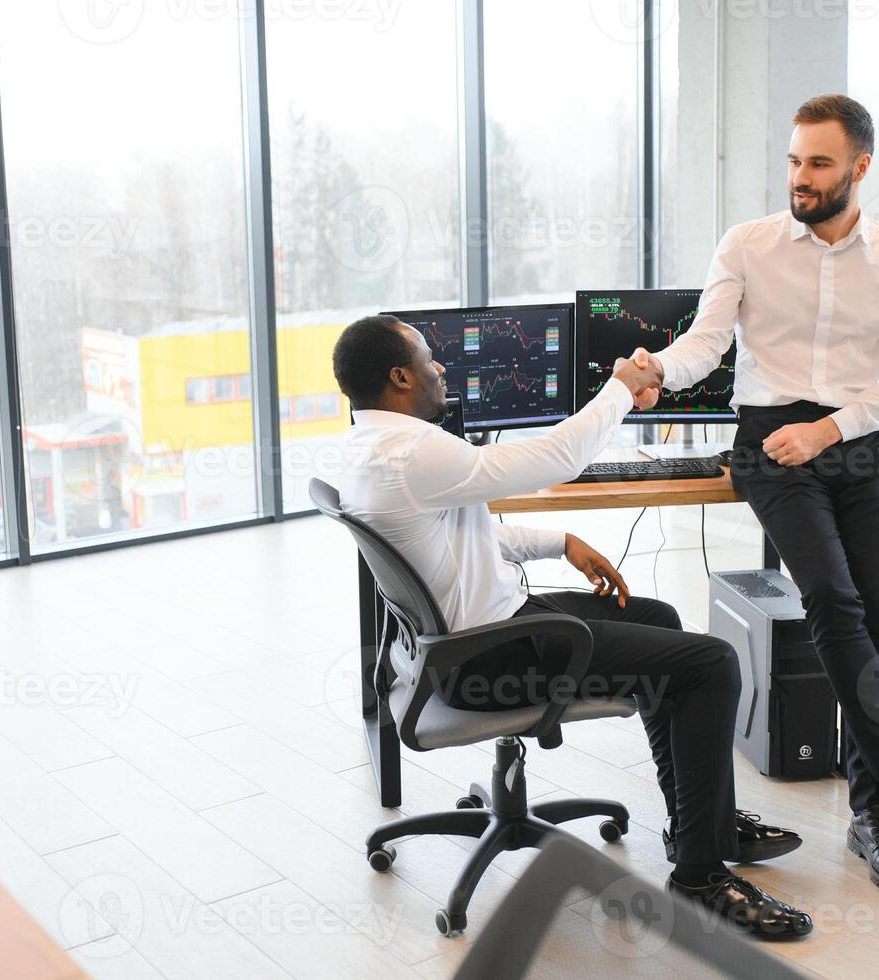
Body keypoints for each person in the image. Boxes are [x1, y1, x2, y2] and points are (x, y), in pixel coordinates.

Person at [332, 313, 812, 939]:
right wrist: (619, 387)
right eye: (428, 358)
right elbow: (556, 456)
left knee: (656, 618)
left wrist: (562, 541)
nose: (441, 366)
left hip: (472, 640)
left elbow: (459, 541)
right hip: (491, 657)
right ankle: (700, 872)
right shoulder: (412, 449)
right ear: (400, 376)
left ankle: (697, 820)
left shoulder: (369, 444)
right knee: (712, 661)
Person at [630, 93, 879, 899]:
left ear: (859, 167)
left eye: (817, 163)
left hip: (855, 441)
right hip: (772, 445)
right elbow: (706, 343)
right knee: (834, 607)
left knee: (878, 619)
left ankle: (869, 810)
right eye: (792, 161)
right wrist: (655, 373)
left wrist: (831, 430)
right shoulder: (747, 245)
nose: (799, 178)